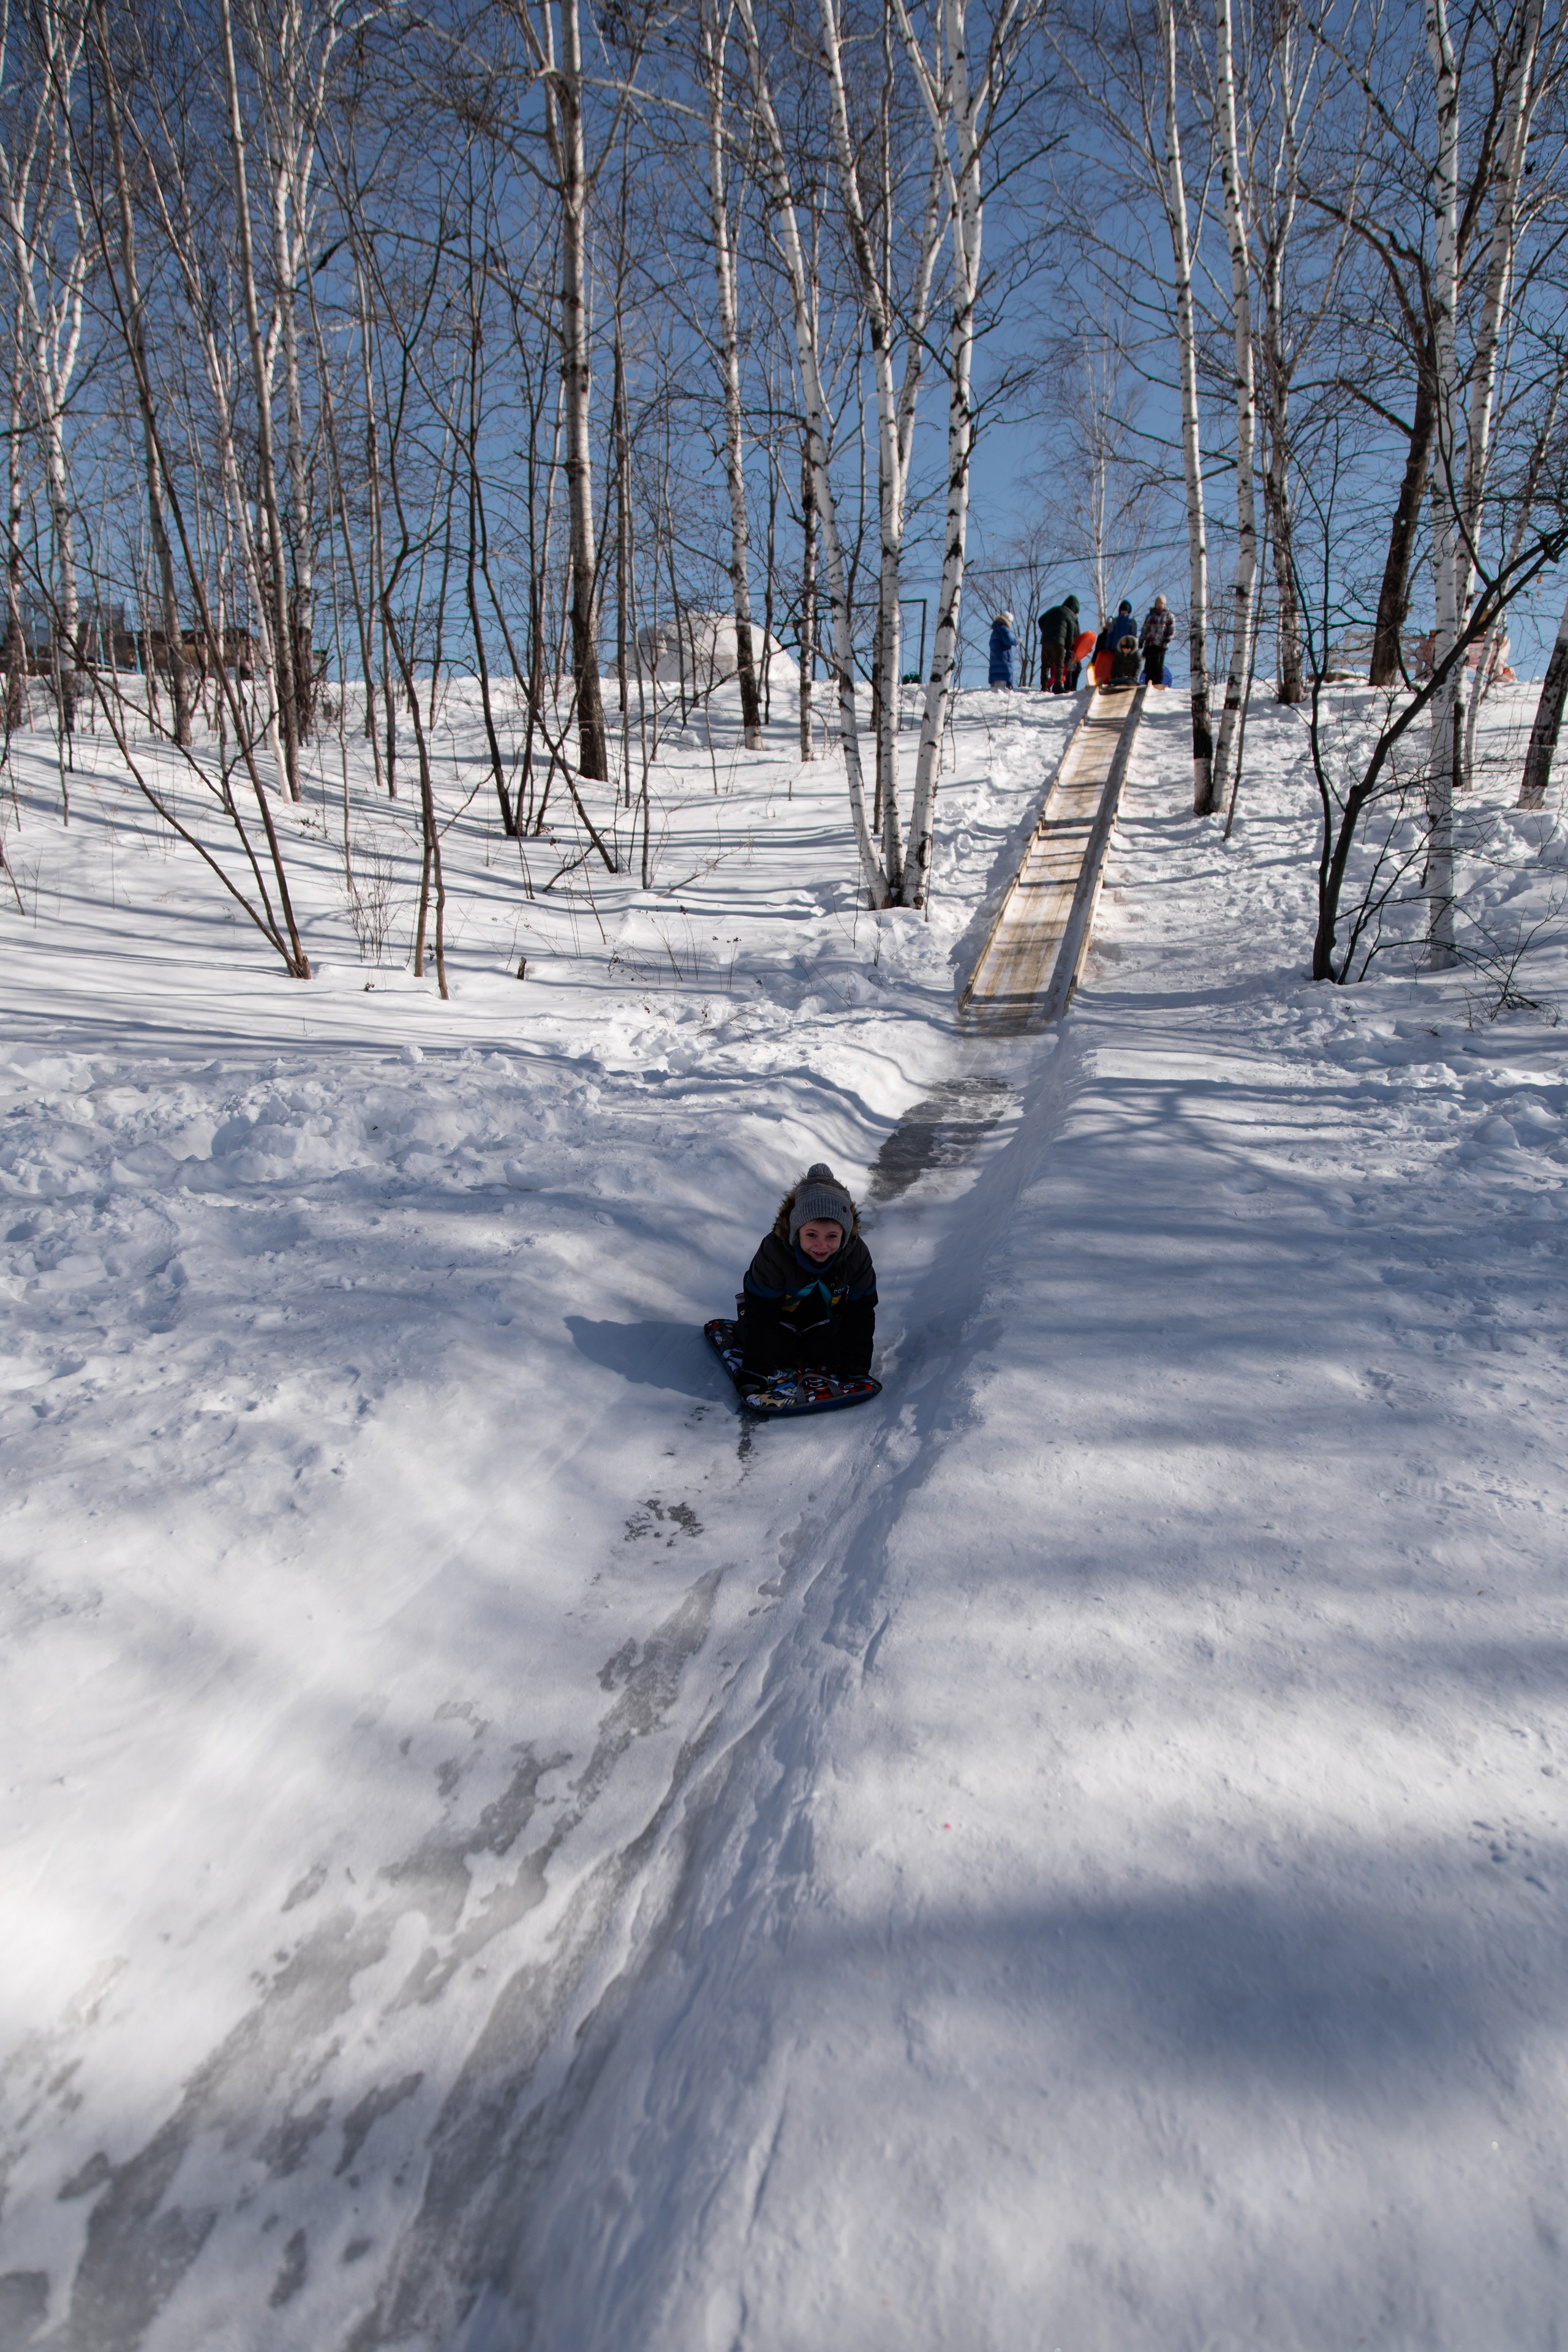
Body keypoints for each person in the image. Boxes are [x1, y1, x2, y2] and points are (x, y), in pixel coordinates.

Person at [738, 1163, 877, 1389]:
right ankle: (744, 1320)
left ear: (843, 1236)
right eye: (811, 1234)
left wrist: (856, 1369)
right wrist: (755, 1371)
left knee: (828, 1353)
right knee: (778, 1351)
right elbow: (763, 1314)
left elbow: (861, 1313)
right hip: (777, 1315)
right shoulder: (774, 1251)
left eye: (832, 1236)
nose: (821, 1245)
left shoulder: (856, 1254)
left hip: (823, 1318)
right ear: (796, 1232)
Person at [1038, 594, 1080, 693]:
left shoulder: (1054, 609)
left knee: (1045, 664)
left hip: (1046, 640)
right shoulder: (1071, 616)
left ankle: (1044, 686)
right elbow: (1070, 634)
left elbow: (1041, 620)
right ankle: (1057, 686)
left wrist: (1045, 631)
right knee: (1059, 664)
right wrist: (1068, 646)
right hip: (1058, 643)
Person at [1140, 595, 1175, 686]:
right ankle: (1148, 683)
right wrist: (1141, 641)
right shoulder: (1150, 616)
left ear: (1164, 605)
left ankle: (1158, 683)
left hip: (1160, 645)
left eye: (1161, 604)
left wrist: (1167, 639)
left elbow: (1172, 629)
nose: (1159, 605)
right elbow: (1145, 629)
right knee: (1149, 666)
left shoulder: (1168, 615)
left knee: (1158, 666)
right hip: (1150, 644)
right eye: (1158, 603)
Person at [988, 611, 1016, 689]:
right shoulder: (1004, 629)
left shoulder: (995, 631)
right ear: (1008, 621)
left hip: (995, 664)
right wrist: (1017, 641)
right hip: (1004, 663)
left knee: (995, 691)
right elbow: (1009, 640)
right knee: (1001, 692)